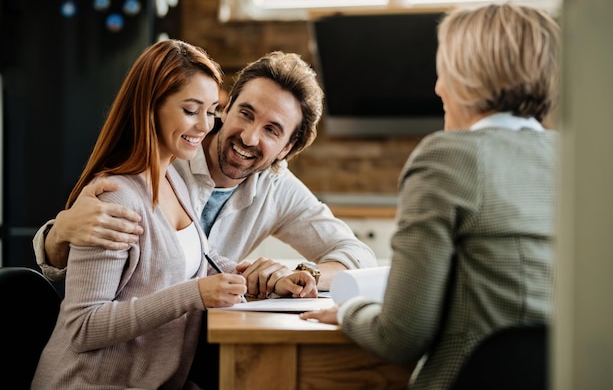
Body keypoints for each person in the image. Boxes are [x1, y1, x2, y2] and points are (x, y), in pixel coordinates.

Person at [301, 3, 560, 390]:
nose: (438, 87)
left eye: (444, 71)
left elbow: (402, 335)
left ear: (467, 77)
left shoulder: (448, 158)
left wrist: (348, 310)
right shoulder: (585, 162)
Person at [31, 40, 316, 390]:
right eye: (191, 110)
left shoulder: (171, 180)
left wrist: (273, 281)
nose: (204, 126)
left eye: (210, 111)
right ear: (152, 106)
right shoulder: (115, 197)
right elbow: (83, 327)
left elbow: (197, 261)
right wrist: (193, 295)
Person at [33, 50, 377, 296]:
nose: (249, 136)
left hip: (199, 343)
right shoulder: (170, 155)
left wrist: (300, 273)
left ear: (287, 148)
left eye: (272, 130)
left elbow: (359, 256)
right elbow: (74, 279)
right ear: (225, 108)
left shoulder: (278, 188)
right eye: (245, 113)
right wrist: (59, 232)